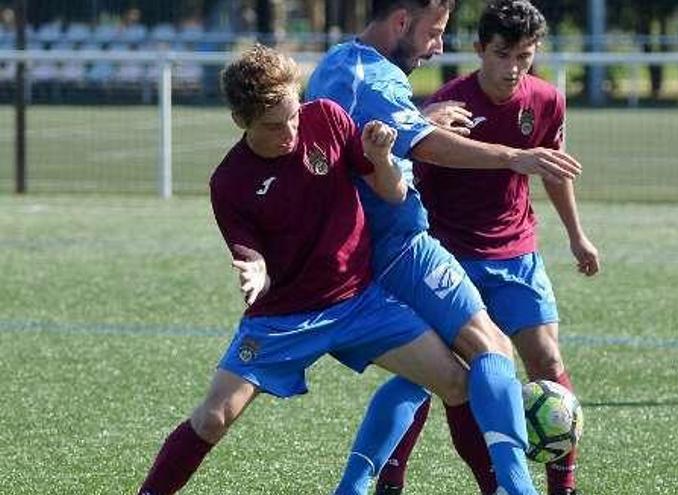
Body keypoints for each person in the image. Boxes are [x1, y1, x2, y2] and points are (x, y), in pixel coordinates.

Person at [136, 44, 477, 495]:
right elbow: (250, 253)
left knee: (457, 382)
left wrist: (379, 158)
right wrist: (255, 271)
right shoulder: (229, 182)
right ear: (242, 121)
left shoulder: (328, 118)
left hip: (359, 301)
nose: (291, 131)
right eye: (274, 126)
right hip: (283, 318)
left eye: (293, 115)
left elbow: (392, 193)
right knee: (214, 417)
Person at [306, 1, 584, 495]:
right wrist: (514, 157)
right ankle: (513, 489)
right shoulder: (375, 77)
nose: (438, 47)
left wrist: (417, 117)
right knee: (484, 354)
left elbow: (369, 136)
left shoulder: (339, 63)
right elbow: (428, 148)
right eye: (434, 33)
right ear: (401, 23)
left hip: (374, 246)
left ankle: (361, 485)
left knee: (449, 379)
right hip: (397, 246)